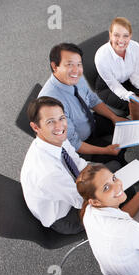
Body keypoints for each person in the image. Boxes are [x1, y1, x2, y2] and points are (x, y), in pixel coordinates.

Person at [39, 43, 129, 165]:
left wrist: (114, 117)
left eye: (79, 64)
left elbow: (92, 100)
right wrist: (105, 150)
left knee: (125, 126)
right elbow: (74, 143)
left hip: (90, 122)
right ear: (55, 66)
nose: (76, 70)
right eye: (70, 64)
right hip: (79, 144)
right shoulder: (51, 103)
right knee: (115, 156)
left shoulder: (75, 77)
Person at [20, 96, 88, 234]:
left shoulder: (54, 139)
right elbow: (81, 200)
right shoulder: (48, 173)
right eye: (50, 122)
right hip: (65, 217)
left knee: (113, 170)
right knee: (120, 194)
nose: (60, 126)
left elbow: (78, 162)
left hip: (70, 191)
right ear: (35, 127)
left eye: (62, 118)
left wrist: (101, 175)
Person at [95, 17, 139, 152]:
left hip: (127, 79)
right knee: (135, 102)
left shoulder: (135, 47)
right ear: (110, 35)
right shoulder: (101, 57)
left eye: (125, 36)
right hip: (107, 87)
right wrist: (130, 96)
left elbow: (135, 76)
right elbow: (114, 85)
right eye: (116, 35)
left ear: (130, 36)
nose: (121, 40)